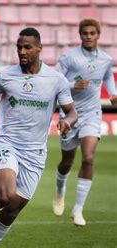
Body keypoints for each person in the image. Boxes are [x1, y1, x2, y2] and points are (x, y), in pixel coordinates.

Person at [0, 27, 78, 247]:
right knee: (4, 197)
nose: (22, 51)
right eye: (19, 47)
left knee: (13, 208)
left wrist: (66, 122)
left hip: (35, 152)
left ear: (39, 48)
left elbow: (72, 112)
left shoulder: (56, 79)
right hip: (8, 143)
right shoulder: (4, 76)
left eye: (27, 47)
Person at [52, 18, 117, 226]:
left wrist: (113, 94)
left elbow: (107, 77)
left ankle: (78, 210)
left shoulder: (106, 59)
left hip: (91, 113)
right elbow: (54, 81)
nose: (88, 36)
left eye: (92, 33)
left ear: (98, 35)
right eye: (85, 33)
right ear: (80, 35)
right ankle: (60, 191)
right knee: (67, 162)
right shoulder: (70, 58)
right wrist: (73, 84)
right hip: (69, 114)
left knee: (88, 158)